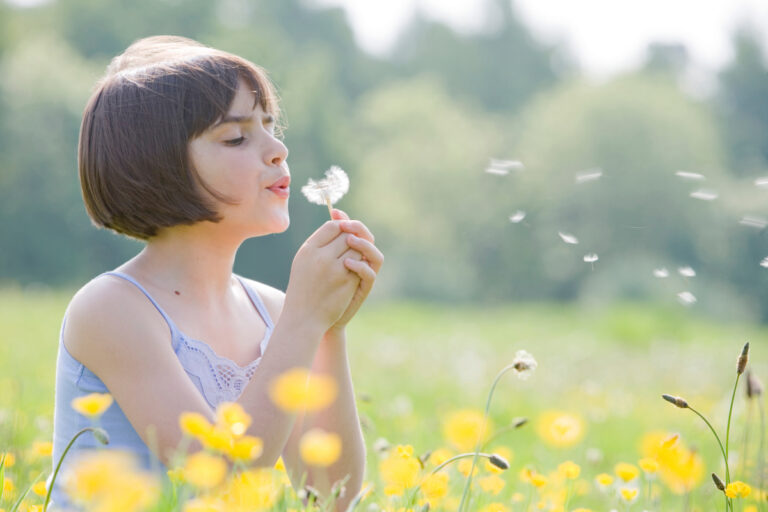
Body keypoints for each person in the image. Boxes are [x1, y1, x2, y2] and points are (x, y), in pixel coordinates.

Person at [49, 35, 382, 510]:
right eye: (236, 137)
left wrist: (330, 328)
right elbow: (216, 479)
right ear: (157, 167)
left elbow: (329, 494)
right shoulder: (112, 309)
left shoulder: (273, 311)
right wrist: (306, 319)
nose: (277, 149)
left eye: (270, 125)